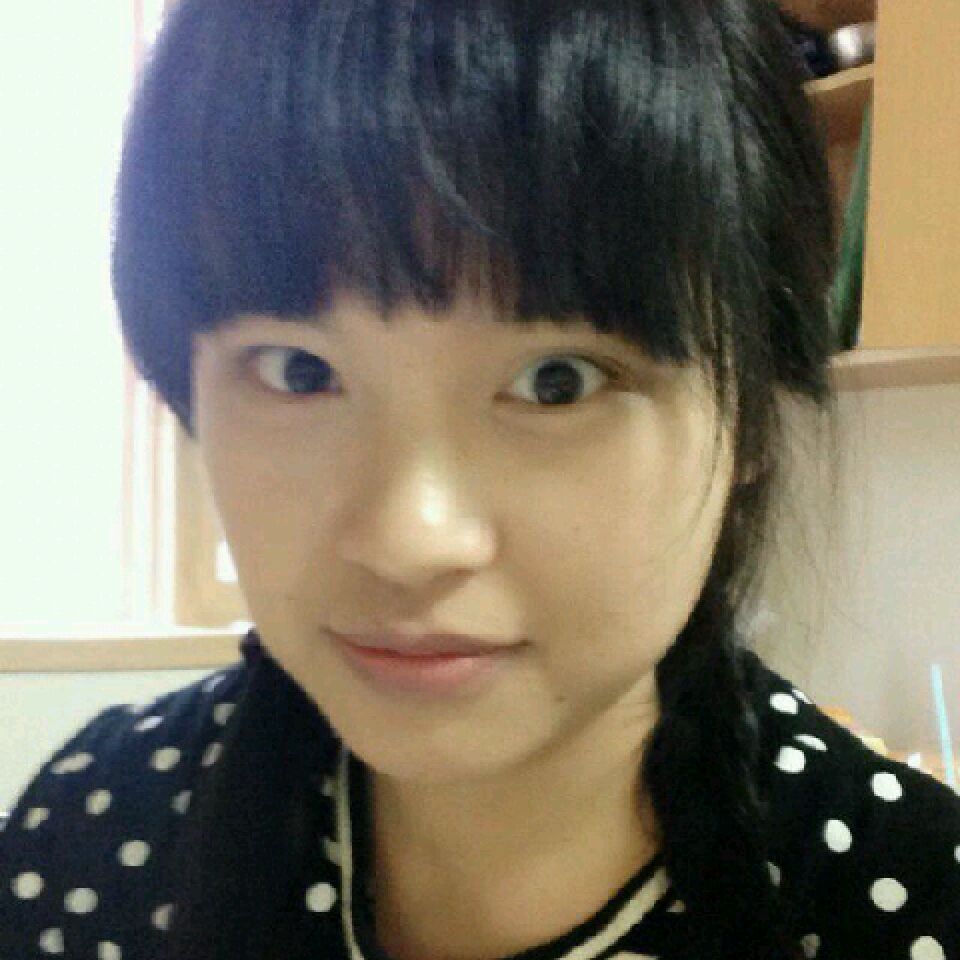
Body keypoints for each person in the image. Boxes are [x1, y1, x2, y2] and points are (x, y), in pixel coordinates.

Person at [2, 0, 958, 958]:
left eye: (557, 382)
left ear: (751, 412)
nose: (406, 540)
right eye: (298, 370)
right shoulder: (89, 835)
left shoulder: (913, 905)